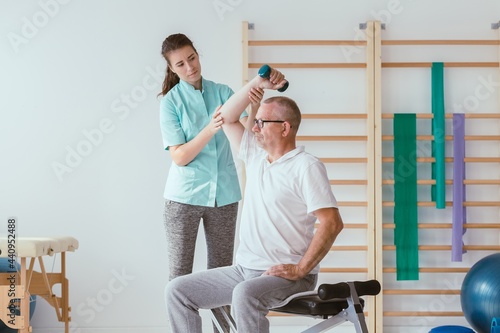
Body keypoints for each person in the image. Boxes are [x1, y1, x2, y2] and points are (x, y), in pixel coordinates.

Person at [165, 69, 344, 333]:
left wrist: (300, 269)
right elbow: (226, 117)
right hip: (244, 270)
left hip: (285, 276)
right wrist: (257, 84)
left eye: (262, 122)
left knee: (245, 294)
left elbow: (332, 223)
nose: (255, 127)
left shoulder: (306, 166)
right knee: (177, 291)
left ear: (285, 128)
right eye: (255, 121)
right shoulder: (256, 157)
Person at [158, 33, 263, 331]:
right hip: (184, 199)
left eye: (192, 58)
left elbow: (248, 135)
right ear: (172, 68)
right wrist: (210, 128)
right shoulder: (170, 102)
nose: (190, 67)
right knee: (179, 276)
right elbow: (179, 157)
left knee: (222, 275)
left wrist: (255, 106)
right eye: (181, 63)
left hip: (225, 196)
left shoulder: (223, 91)